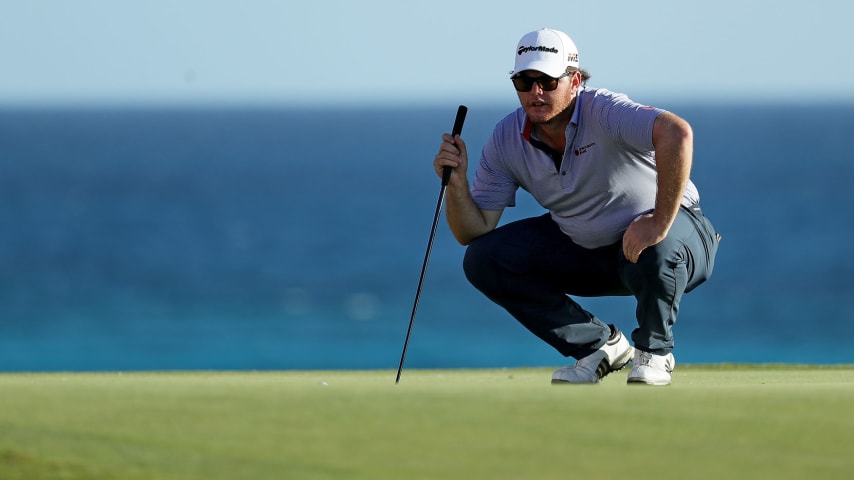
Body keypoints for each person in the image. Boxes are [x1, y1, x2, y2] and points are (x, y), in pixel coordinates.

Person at [433, 28, 719, 386]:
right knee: (483, 258)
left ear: (575, 80)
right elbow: (472, 232)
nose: (535, 93)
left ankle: (654, 353)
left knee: (657, 247)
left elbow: (677, 132)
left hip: (676, 239)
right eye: (524, 81)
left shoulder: (604, 110)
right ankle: (601, 346)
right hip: (593, 252)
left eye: (548, 81)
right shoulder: (507, 137)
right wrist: (456, 183)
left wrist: (658, 222)